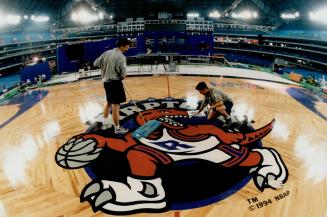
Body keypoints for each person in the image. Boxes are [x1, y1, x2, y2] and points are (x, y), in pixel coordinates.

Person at [94, 38, 131, 134]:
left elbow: (95, 63)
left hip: (106, 82)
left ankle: (105, 123)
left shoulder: (106, 53)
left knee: (109, 102)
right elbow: (123, 75)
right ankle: (117, 129)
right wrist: (122, 75)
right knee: (116, 106)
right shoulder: (121, 57)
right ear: (122, 46)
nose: (127, 49)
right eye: (127, 47)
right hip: (115, 83)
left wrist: (106, 67)